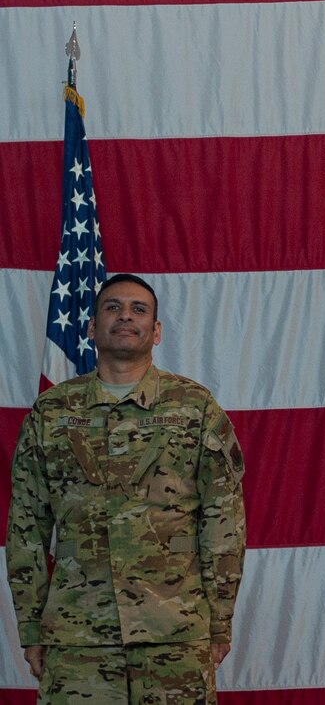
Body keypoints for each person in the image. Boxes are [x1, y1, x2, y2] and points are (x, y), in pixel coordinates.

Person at [6, 273, 246, 703]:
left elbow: (222, 523)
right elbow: (26, 528)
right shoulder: (52, 412)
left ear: (156, 332)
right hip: (77, 638)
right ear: (91, 327)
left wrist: (219, 622)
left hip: (174, 634)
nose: (125, 317)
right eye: (112, 307)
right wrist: (30, 625)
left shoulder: (195, 408)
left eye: (139, 309)